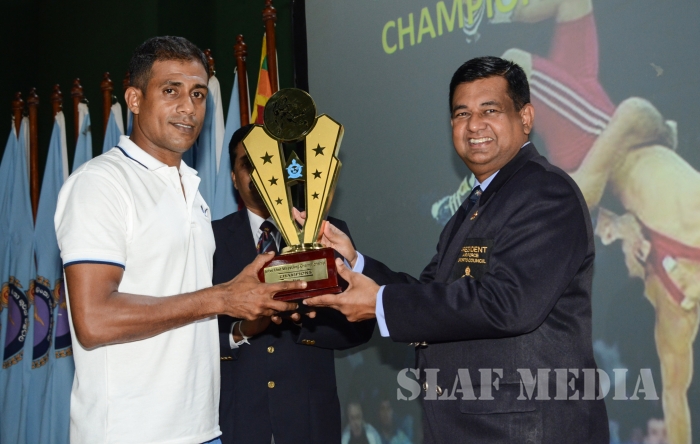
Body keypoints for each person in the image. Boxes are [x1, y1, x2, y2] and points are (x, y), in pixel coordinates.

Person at [305, 56, 609, 443]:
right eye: (461, 113)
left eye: (490, 110)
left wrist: (380, 303)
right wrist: (355, 262)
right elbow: (432, 293)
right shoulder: (476, 205)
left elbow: (507, 304)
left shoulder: (546, 192)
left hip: (525, 430)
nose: (474, 125)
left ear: (526, 117)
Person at [54, 37, 303, 444]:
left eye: (198, 94)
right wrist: (221, 297)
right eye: (171, 90)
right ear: (134, 99)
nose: (189, 107)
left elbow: (188, 308)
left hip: (201, 429)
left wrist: (248, 305)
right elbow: (94, 319)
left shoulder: (192, 190)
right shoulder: (100, 183)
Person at [213, 125, 375, 444]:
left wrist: (302, 320)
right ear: (233, 177)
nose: (260, 173)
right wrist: (241, 331)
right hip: (236, 425)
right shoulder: (209, 239)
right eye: (249, 164)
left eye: (268, 162)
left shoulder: (326, 232)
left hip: (310, 423)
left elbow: (360, 327)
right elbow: (190, 337)